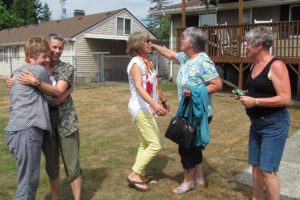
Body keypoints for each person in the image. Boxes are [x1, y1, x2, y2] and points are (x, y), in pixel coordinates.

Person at [151, 27, 222, 194]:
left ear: (191, 43)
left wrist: (195, 91)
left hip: (197, 112)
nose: (180, 41)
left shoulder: (203, 62)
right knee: (194, 145)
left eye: (182, 39)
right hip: (187, 111)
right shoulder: (186, 58)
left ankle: (188, 182)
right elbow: (169, 54)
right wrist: (154, 46)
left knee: (186, 147)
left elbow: (217, 85)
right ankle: (199, 177)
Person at [11, 33, 82, 200]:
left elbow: (57, 94)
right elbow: (51, 97)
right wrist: (12, 80)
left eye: (60, 48)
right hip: (45, 124)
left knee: (72, 166)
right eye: (54, 47)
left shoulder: (65, 68)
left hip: (66, 122)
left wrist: (37, 83)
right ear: (46, 48)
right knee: (51, 166)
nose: (57, 51)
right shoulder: (38, 68)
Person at [232, 27, 291, 200]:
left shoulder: (277, 65)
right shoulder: (254, 65)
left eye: (248, 43)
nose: (245, 46)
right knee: (256, 167)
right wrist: (244, 94)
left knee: (267, 170)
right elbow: (258, 92)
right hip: (256, 123)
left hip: (274, 123)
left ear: (259, 44)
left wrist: (255, 102)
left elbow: (285, 98)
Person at [4, 36, 52, 200]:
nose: (48, 59)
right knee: (28, 182)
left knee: (26, 178)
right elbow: (53, 96)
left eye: (48, 55)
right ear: (31, 58)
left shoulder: (16, 73)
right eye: (43, 56)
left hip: (14, 132)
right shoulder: (38, 71)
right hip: (27, 132)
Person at [126, 31, 170, 192]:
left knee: (145, 143)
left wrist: (162, 100)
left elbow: (154, 85)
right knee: (155, 144)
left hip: (147, 107)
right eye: (147, 41)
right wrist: (154, 104)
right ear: (137, 44)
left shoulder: (147, 62)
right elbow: (138, 87)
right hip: (140, 108)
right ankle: (134, 174)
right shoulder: (136, 63)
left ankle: (141, 174)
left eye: (150, 41)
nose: (150, 44)